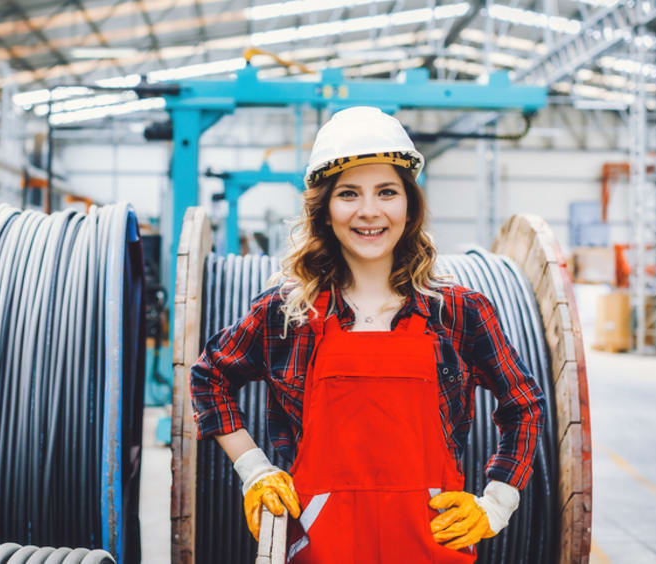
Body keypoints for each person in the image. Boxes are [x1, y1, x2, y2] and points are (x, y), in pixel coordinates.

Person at [190, 106, 546, 563]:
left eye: (386, 192)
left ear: (409, 204)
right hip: (321, 546)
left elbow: (525, 404)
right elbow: (209, 377)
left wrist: (496, 503)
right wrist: (254, 470)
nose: (369, 211)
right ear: (326, 208)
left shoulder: (457, 312)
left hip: (431, 544)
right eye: (349, 194)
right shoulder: (287, 313)